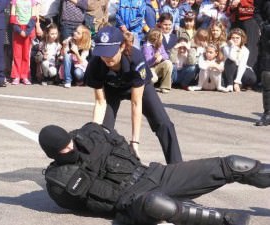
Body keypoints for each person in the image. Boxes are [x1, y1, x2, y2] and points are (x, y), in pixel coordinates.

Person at [39, 122, 270, 225]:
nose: (70, 149)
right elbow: (83, 207)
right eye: (64, 150)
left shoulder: (91, 133)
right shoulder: (58, 181)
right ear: (53, 154)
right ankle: (227, 221)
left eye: (70, 143)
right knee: (157, 204)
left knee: (233, 164)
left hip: (154, 173)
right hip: (131, 201)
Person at [84, 26, 182, 164]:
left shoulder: (136, 58)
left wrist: (134, 142)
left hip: (137, 87)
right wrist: (95, 134)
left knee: (164, 124)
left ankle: (176, 167)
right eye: (103, 53)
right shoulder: (95, 64)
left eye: (110, 52)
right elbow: (100, 103)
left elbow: (136, 103)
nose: (106, 57)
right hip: (111, 89)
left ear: (122, 46)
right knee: (103, 132)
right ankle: (100, 172)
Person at [10, 0, 38, 85]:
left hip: (28, 30)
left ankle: (25, 76)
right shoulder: (15, 1)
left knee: (26, 55)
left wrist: (27, 31)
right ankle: (16, 76)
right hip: (18, 31)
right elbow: (12, 17)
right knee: (17, 54)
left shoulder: (32, 1)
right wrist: (19, 30)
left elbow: (34, 18)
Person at [222, 28, 257, 92]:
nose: (235, 39)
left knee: (252, 77)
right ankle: (230, 84)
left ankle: (238, 84)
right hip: (228, 70)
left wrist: (237, 81)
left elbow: (242, 65)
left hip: (239, 69)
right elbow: (232, 58)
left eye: (237, 38)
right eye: (233, 38)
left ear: (242, 39)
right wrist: (233, 46)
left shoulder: (245, 50)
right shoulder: (226, 47)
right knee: (230, 62)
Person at [142, 28, 173, 93]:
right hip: (149, 68)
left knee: (168, 63)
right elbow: (147, 63)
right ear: (156, 38)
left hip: (157, 66)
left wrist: (161, 57)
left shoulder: (160, 45)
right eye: (161, 36)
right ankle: (147, 88)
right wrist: (154, 58)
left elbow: (166, 56)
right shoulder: (146, 47)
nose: (162, 38)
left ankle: (165, 86)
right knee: (153, 78)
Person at [255, 0, 270, 126]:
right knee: (267, 77)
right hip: (268, 36)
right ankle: (268, 114)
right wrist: (263, 25)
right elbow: (257, 11)